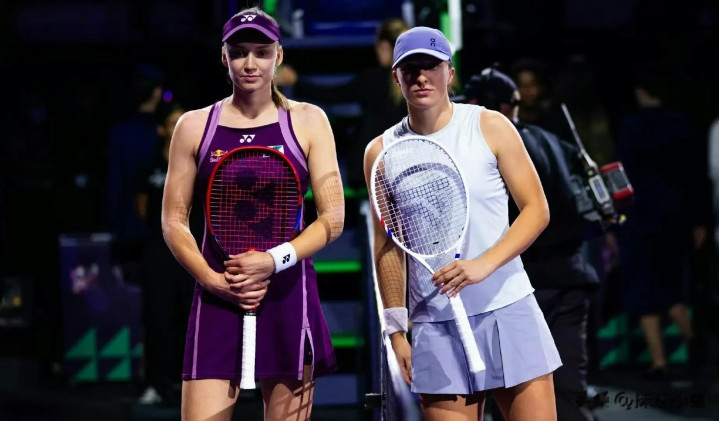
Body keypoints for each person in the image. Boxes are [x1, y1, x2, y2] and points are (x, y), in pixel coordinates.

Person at [364, 27, 560, 420]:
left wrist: (482, 265)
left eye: (431, 66)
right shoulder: (380, 152)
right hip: (434, 322)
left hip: (507, 306)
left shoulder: (489, 125)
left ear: (449, 73)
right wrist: (396, 332)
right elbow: (387, 248)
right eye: (411, 68)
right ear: (396, 77)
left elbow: (536, 210)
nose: (421, 77)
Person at [161, 7, 345, 421]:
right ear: (223, 57)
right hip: (219, 292)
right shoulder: (193, 126)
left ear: (278, 56)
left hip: (287, 293)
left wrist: (271, 261)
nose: (250, 63)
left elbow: (333, 217)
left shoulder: (309, 120)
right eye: (239, 52)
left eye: (261, 52)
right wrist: (213, 280)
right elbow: (173, 221)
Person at [461, 67, 600, 421]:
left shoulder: (484, 151)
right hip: (569, 279)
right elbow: (592, 209)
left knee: (511, 400)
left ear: (477, 104)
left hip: (516, 288)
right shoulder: (558, 143)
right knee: (568, 395)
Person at [614, 68, 710, 379]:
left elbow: (620, 177)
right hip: (676, 218)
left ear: (641, 92)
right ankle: (695, 341)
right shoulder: (683, 124)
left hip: (639, 218)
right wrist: (699, 221)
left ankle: (659, 361)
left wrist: (615, 220)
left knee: (643, 288)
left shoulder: (630, 126)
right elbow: (697, 176)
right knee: (672, 286)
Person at [275, 18, 409, 188]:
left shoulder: (372, 78)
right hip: (405, 167)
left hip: (370, 171)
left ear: (383, 46)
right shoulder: (415, 81)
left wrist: (296, 81)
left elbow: (331, 95)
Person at [135, 103, 197, 405]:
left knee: (193, 320)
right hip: (159, 254)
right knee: (158, 319)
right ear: (162, 129)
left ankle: (193, 385)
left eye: (182, 121)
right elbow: (142, 208)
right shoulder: (149, 165)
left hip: (193, 254)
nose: (178, 127)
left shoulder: (199, 163)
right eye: (173, 123)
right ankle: (157, 384)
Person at [107, 64, 165, 266]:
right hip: (160, 225)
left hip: (130, 225)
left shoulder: (120, 133)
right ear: (156, 92)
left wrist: (115, 224)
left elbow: (114, 184)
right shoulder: (164, 132)